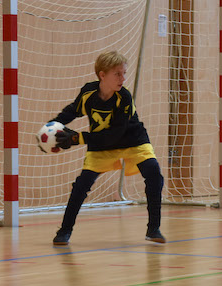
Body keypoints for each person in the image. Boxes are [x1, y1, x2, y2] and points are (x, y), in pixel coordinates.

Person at [46, 51, 165, 246]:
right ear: (102, 75)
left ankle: (154, 229)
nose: (123, 78)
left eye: (124, 73)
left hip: (133, 140)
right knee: (81, 185)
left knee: (154, 175)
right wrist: (51, 128)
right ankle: (64, 231)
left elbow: (114, 135)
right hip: (100, 143)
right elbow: (71, 111)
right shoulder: (88, 93)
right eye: (117, 74)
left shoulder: (124, 97)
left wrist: (77, 138)